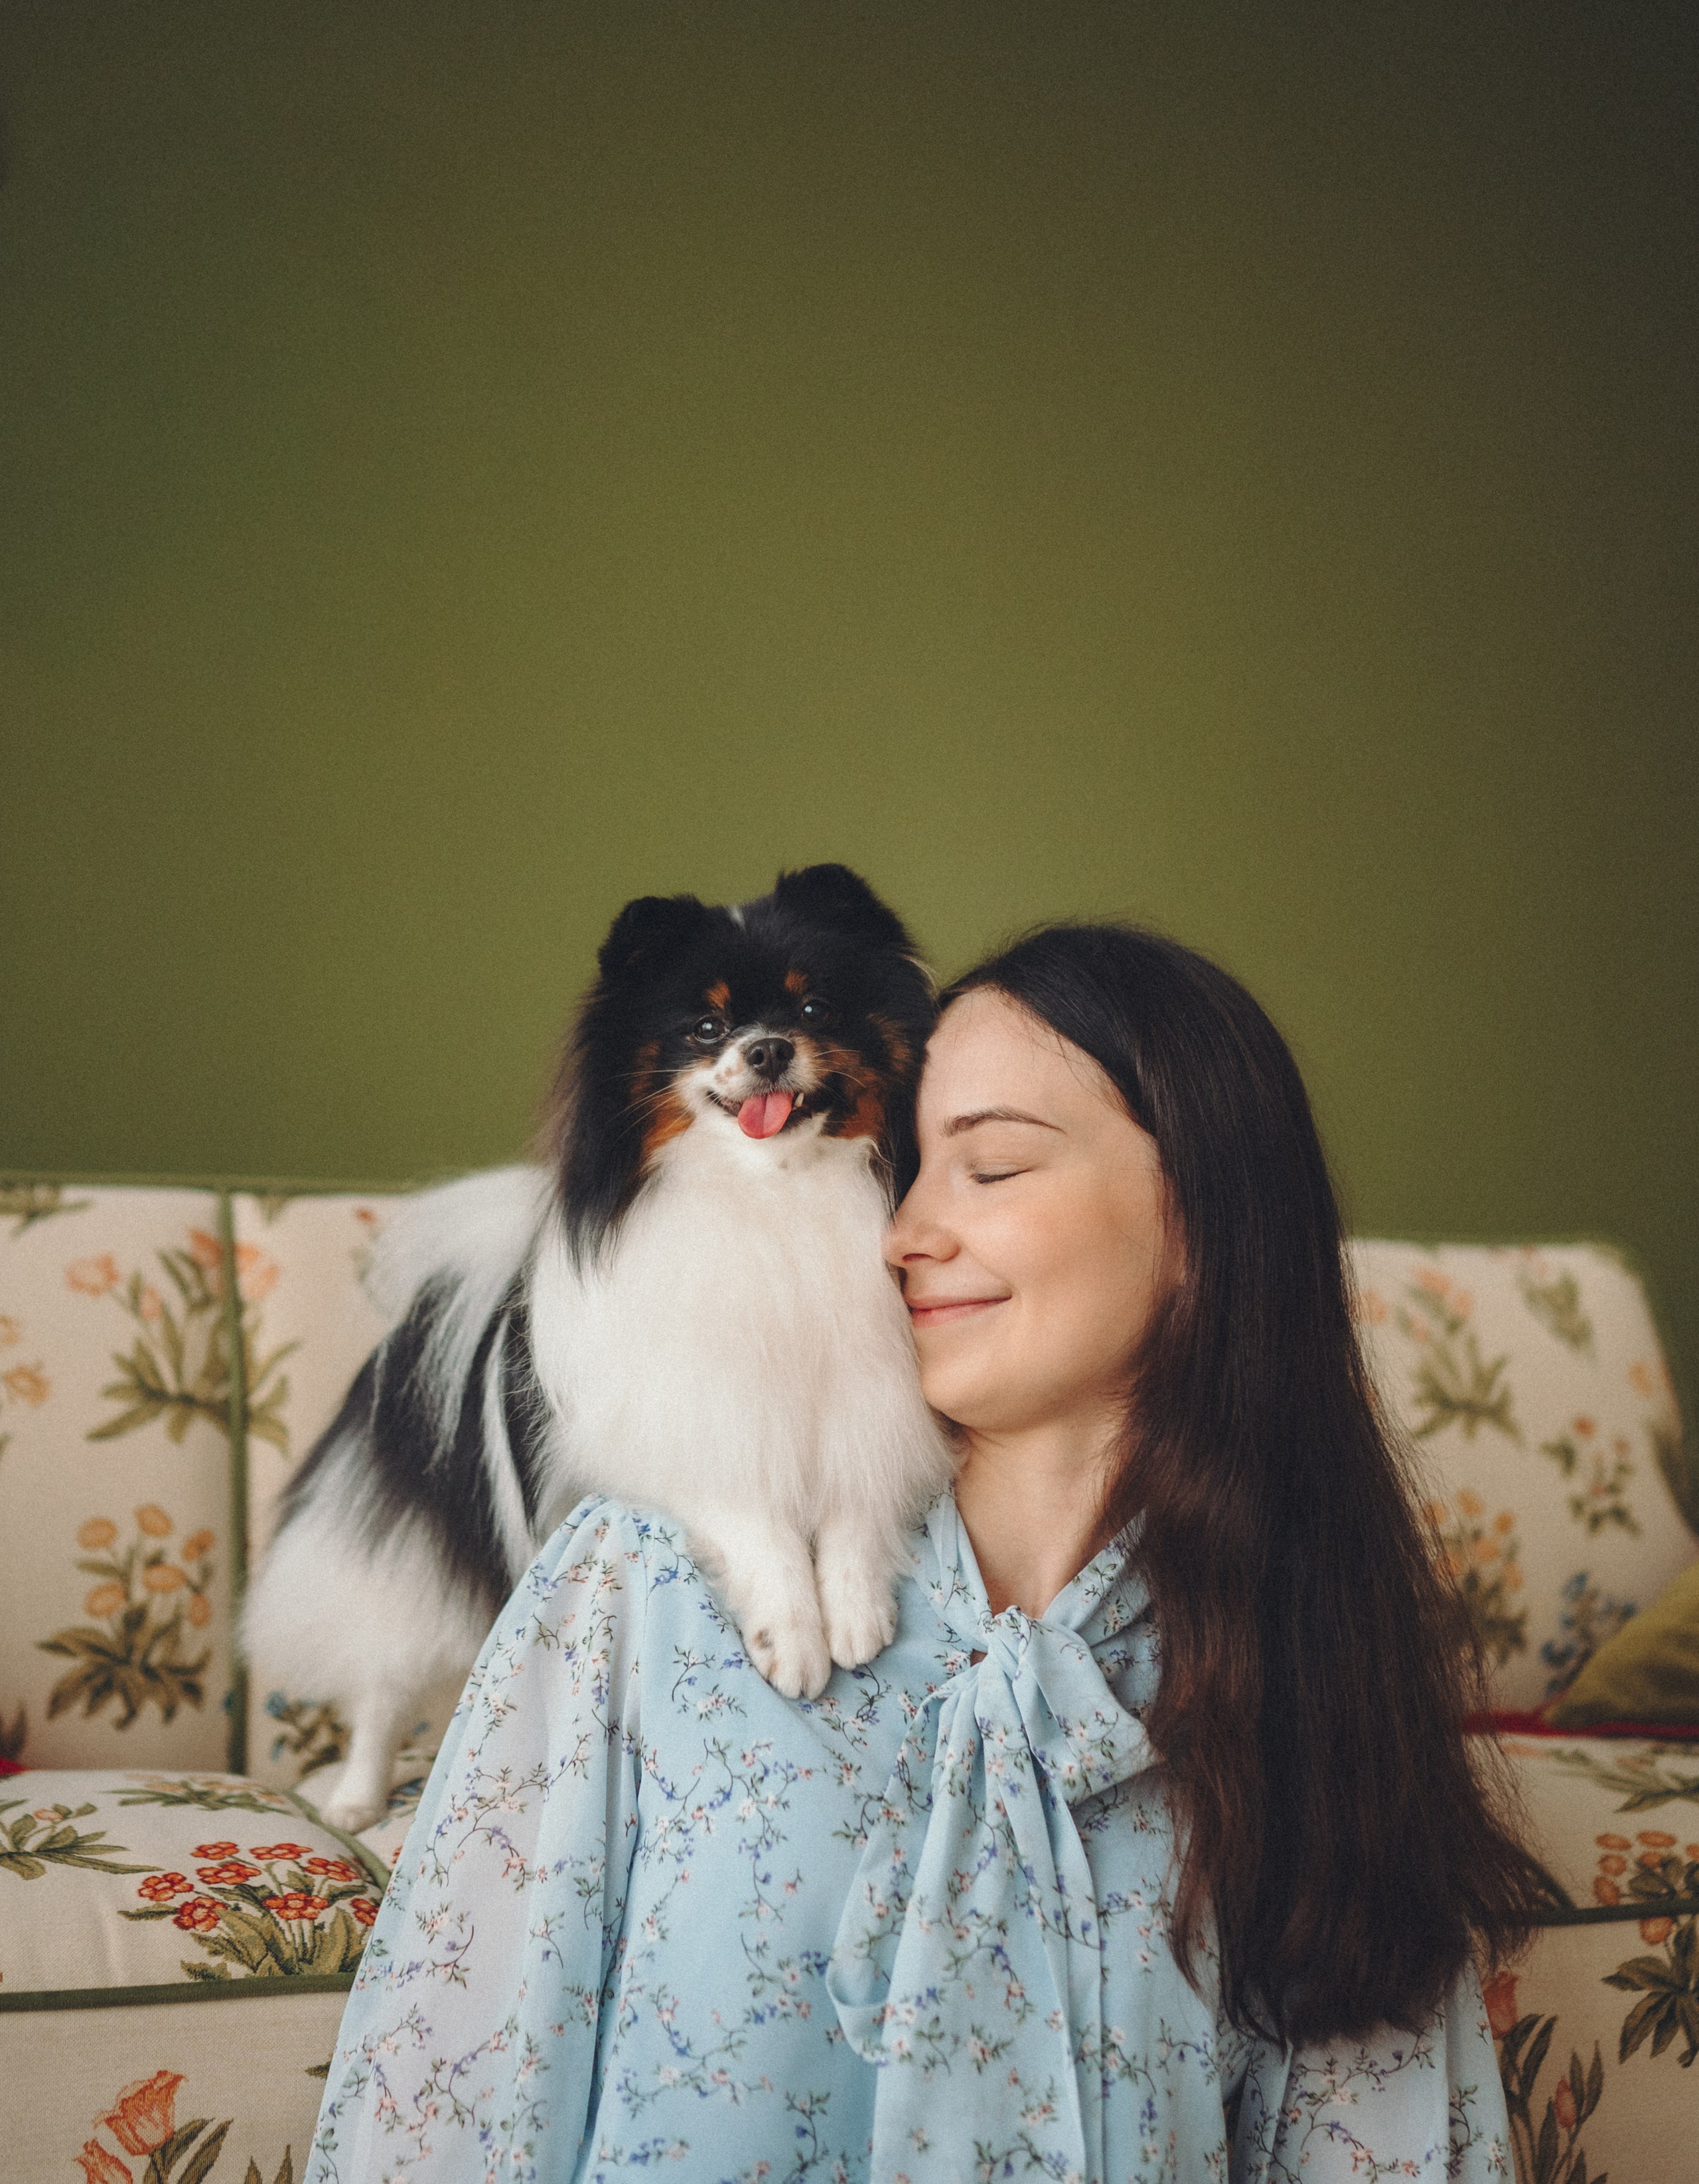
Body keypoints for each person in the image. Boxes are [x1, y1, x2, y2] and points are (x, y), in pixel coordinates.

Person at [306, 924, 1542, 2183]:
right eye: (904, 1172)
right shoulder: (636, 1590)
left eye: (992, 1167)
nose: (904, 1235)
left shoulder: (1304, 1671)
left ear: (1207, 1219)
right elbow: (440, 2109)